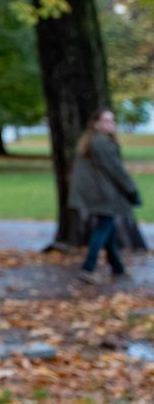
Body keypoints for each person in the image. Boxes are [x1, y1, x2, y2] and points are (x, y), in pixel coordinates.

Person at [68, 108, 141, 283]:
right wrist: (131, 191)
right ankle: (88, 267)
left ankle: (117, 265)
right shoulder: (100, 143)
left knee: (108, 228)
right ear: (96, 124)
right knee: (103, 227)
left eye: (112, 120)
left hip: (97, 193)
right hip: (103, 194)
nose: (111, 124)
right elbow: (116, 170)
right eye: (107, 121)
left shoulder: (91, 141)